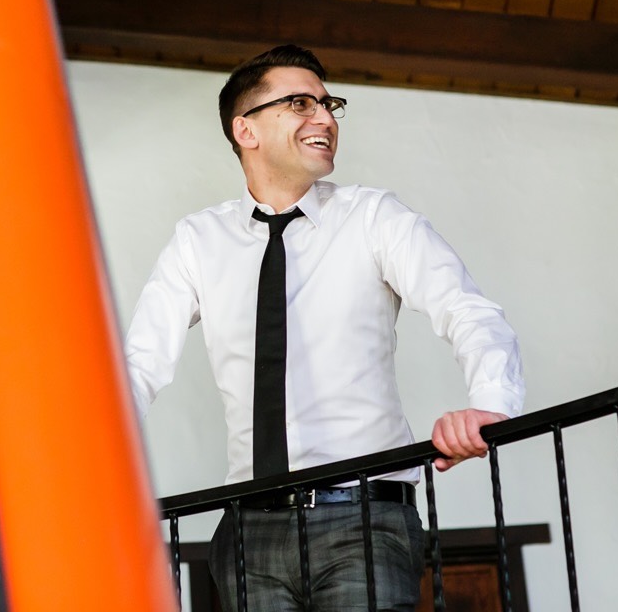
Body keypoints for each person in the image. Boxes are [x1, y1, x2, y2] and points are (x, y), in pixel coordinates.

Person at [123, 45, 524, 611]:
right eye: (299, 103)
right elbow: (139, 364)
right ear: (246, 129)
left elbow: (468, 309)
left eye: (328, 103)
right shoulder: (197, 241)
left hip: (365, 520)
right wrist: (97, 468)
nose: (326, 118)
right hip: (247, 533)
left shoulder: (374, 218)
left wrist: (490, 402)